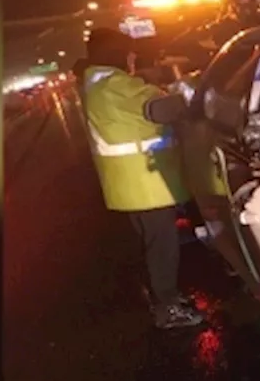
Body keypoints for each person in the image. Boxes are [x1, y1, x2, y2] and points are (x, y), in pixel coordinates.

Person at [81, 28, 205, 329]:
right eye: (129, 52)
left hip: (129, 182)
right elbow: (159, 108)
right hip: (145, 182)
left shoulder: (95, 82)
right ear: (115, 53)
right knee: (162, 245)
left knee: (152, 244)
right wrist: (190, 91)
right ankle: (168, 308)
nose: (133, 58)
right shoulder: (114, 85)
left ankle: (161, 297)